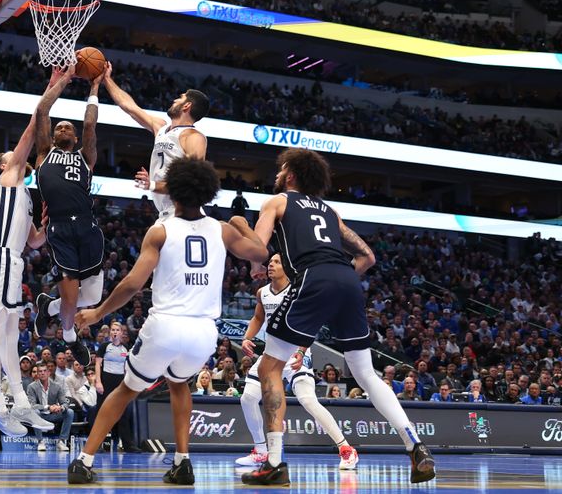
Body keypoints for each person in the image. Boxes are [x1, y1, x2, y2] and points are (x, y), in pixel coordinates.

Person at [68, 157, 268, 485]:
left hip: (166, 324)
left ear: (172, 193)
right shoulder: (224, 230)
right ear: (208, 193)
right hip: (204, 331)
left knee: (125, 390)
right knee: (180, 385)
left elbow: (133, 284)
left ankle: (84, 460)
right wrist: (243, 224)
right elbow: (261, 253)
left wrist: (98, 312)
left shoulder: (160, 231)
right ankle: (182, 462)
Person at [243, 149, 435, 485]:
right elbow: (368, 257)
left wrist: (239, 235)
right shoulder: (330, 211)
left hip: (313, 277)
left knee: (269, 367)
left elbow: (259, 248)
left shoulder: (277, 202)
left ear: (290, 176)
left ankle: (273, 462)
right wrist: (338, 280)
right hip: (347, 280)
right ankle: (415, 447)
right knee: (365, 374)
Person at [0, 67, 68, 439]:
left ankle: (21, 402)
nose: (14, 155)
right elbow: (32, 131)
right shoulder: (10, 176)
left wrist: (45, 228)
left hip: (13, 262)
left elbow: (32, 242)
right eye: (9, 155)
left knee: (11, 336)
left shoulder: (25, 196)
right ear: (3, 165)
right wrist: (52, 88)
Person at [236, 254, 358, 470]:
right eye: (270, 262)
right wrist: (246, 337)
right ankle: (261, 451)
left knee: (308, 400)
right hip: (272, 354)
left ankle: (346, 449)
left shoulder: (299, 291)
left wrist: (302, 351)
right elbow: (257, 318)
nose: (270, 265)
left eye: (276, 262)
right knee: (247, 398)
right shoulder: (262, 292)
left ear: (288, 268)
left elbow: (312, 323)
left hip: (296, 352)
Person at [32, 67, 105, 369]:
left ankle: (48, 307)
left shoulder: (86, 157)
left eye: (67, 128)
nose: (61, 128)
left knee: (90, 298)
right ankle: (70, 338)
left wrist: (95, 88)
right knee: (73, 301)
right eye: (58, 127)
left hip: (88, 228)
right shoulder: (43, 154)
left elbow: (90, 125)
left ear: (75, 138)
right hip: (60, 228)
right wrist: (64, 79)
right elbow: (42, 110)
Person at [102, 62, 210, 221]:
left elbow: (191, 181)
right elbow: (129, 106)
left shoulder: (194, 137)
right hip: (165, 213)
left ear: (187, 105)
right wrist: (106, 80)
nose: (174, 100)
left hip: (185, 212)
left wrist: (152, 185)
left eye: (180, 98)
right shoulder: (161, 127)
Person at [94, 321, 138, 453]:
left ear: (121, 332)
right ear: (110, 332)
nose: (114, 332)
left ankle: (128, 445)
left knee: (123, 413)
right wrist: (98, 382)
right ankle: (97, 444)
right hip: (106, 380)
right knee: (101, 412)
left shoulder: (125, 348)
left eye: (117, 330)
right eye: (112, 330)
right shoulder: (104, 346)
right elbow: (97, 365)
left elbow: (126, 368)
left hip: (120, 381)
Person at [26, 364, 74, 452]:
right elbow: (32, 405)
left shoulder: (57, 386)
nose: (42, 373)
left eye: (44, 371)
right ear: (37, 374)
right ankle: (40, 441)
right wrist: (48, 407)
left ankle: (62, 441)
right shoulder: (32, 387)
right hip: (40, 414)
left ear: (48, 373)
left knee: (70, 412)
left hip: (54, 414)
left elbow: (65, 403)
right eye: (40, 371)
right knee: (34, 412)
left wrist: (60, 407)